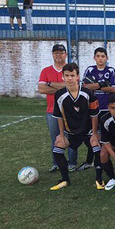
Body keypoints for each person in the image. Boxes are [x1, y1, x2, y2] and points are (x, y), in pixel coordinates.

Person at [50, 63, 102, 190]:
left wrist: (95, 133)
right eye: (66, 75)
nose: (69, 78)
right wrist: (61, 135)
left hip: (87, 131)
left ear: (78, 76)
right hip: (70, 132)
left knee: (98, 149)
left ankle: (99, 179)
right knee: (57, 149)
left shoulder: (88, 93)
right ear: (62, 77)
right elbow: (59, 117)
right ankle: (65, 179)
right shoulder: (59, 95)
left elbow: (94, 115)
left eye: (72, 75)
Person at [38, 44, 78, 173]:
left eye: (61, 52)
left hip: (70, 110)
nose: (58, 55)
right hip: (52, 110)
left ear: (65, 54)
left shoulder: (70, 68)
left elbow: (72, 86)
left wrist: (50, 84)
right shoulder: (46, 71)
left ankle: (72, 163)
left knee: (72, 137)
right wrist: (62, 86)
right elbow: (41, 89)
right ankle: (56, 163)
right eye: (56, 53)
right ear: (52, 54)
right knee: (55, 138)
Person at [81, 47, 115, 171]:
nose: (100, 58)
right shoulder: (90, 70)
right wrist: (102, 84)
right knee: (92, 135)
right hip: (93, 108)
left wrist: (95, 87)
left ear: (106, 58)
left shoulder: (111, 70)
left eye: (103, 56)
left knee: (110, 136)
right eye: (98, 56)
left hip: (107, 108)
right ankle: (91, 160)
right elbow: (85, 87)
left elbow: (114, 89)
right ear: (94, 58)